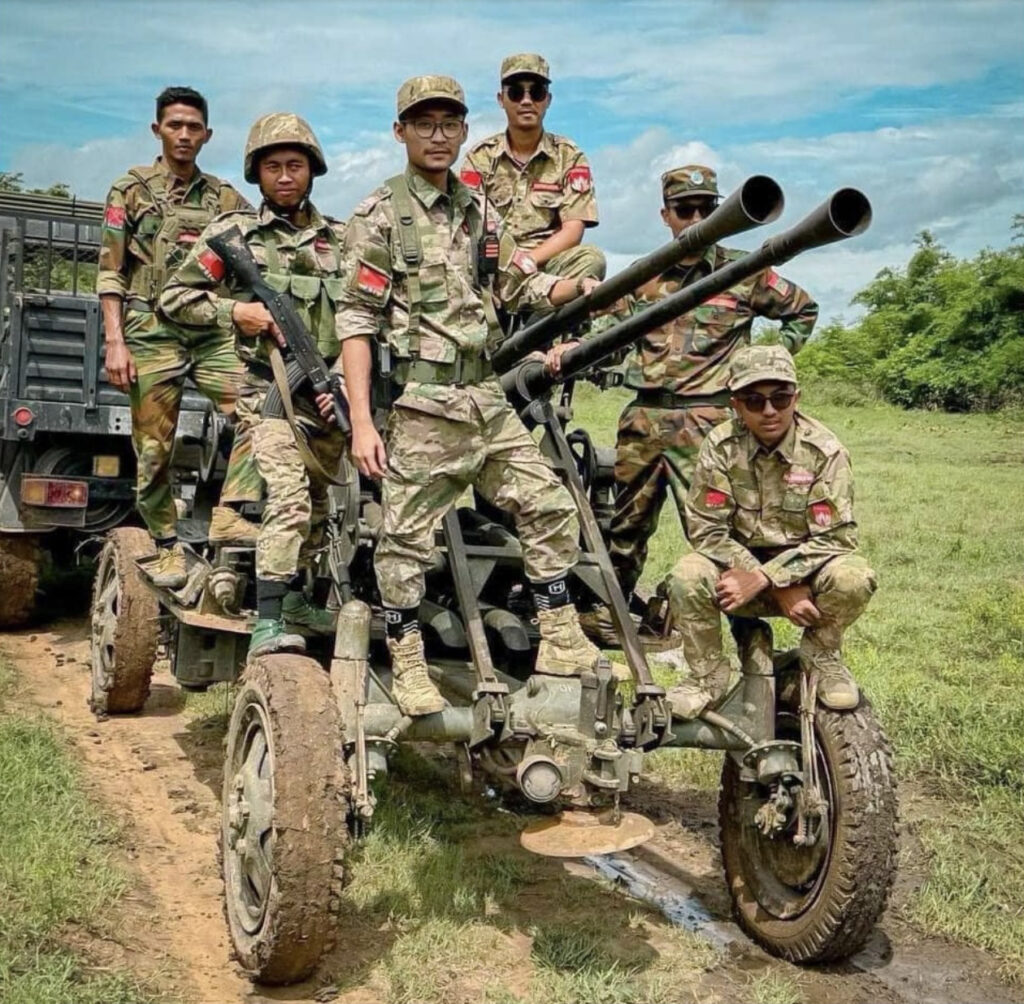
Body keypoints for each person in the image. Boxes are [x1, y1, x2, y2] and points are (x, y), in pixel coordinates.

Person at [337, 74, 607, 717]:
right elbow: (355, 320)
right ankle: (406, 662)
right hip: (425, 406)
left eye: (449, 124)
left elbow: (518, 283)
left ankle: (559, 637)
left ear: (463, 132)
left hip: (484, 396)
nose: (438, 136)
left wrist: (574, 294)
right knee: (404, 542)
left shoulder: (476, 209)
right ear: (400, 132)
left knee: (550, 506)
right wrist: (360, 424)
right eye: (424, 124)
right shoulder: (378, 216)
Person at [579, 165, 819, 644]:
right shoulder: (645, 277)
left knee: (717, 531)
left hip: (711, 419)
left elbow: (803, 309)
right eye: (684, 209)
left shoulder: (744, 271)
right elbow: (602, 328)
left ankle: (746, 634)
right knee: (625, 527)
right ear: (665, 214)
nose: (695, 217)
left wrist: (760, 369)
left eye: (705, 208)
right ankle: (609, 618)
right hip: (645, 419)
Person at [160, 113, 349, 658]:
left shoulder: (341, 240)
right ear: (256, 174)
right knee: (287, 500)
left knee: (317, 504)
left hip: (326, 392)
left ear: (312, 171)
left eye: (295, 166)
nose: (285, 176)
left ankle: (293, 601)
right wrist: (234, 311)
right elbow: (174, 299)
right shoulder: (232, 237)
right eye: (273, 167)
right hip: (266, 393)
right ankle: (268, 620)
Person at [97, 86, 262, 588]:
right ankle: (168, 546)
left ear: (207, 135)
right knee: (153, 452)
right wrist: (115, 341)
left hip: (209, 328)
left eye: (194, 127)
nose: (185, 135)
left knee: (263, 407)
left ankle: (231, 509)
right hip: (150, 330)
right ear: (158, 130)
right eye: (175, 125)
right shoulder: (129, 191)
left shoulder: (227, 199)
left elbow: (250, 263)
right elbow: (110, 272)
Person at [666, 344, 876, 717]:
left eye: (780, 399)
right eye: (754, 400)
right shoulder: (720, 446)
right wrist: (763, 580)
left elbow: (838, 537)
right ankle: (706, 675)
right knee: (687, 574)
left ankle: (822, 658)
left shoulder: (824, 451)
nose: (768, 411)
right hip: (736, 576)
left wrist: (769, 577)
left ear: (796, 398)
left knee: (854, 576)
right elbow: (705, 528)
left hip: (804, 582)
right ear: (736, 404)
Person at [459, 53, 605, 285]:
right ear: (501, 99)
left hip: (547, 265)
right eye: (516, 93)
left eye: (536, 92)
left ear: (548, 99)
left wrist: (527, 262)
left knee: (591, 259)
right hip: (492, 265)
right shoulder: (480, 158)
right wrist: (505, 266)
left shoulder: (568, 156)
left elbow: (573, 229)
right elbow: (468, 226)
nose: (526, 101)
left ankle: (542, 320)